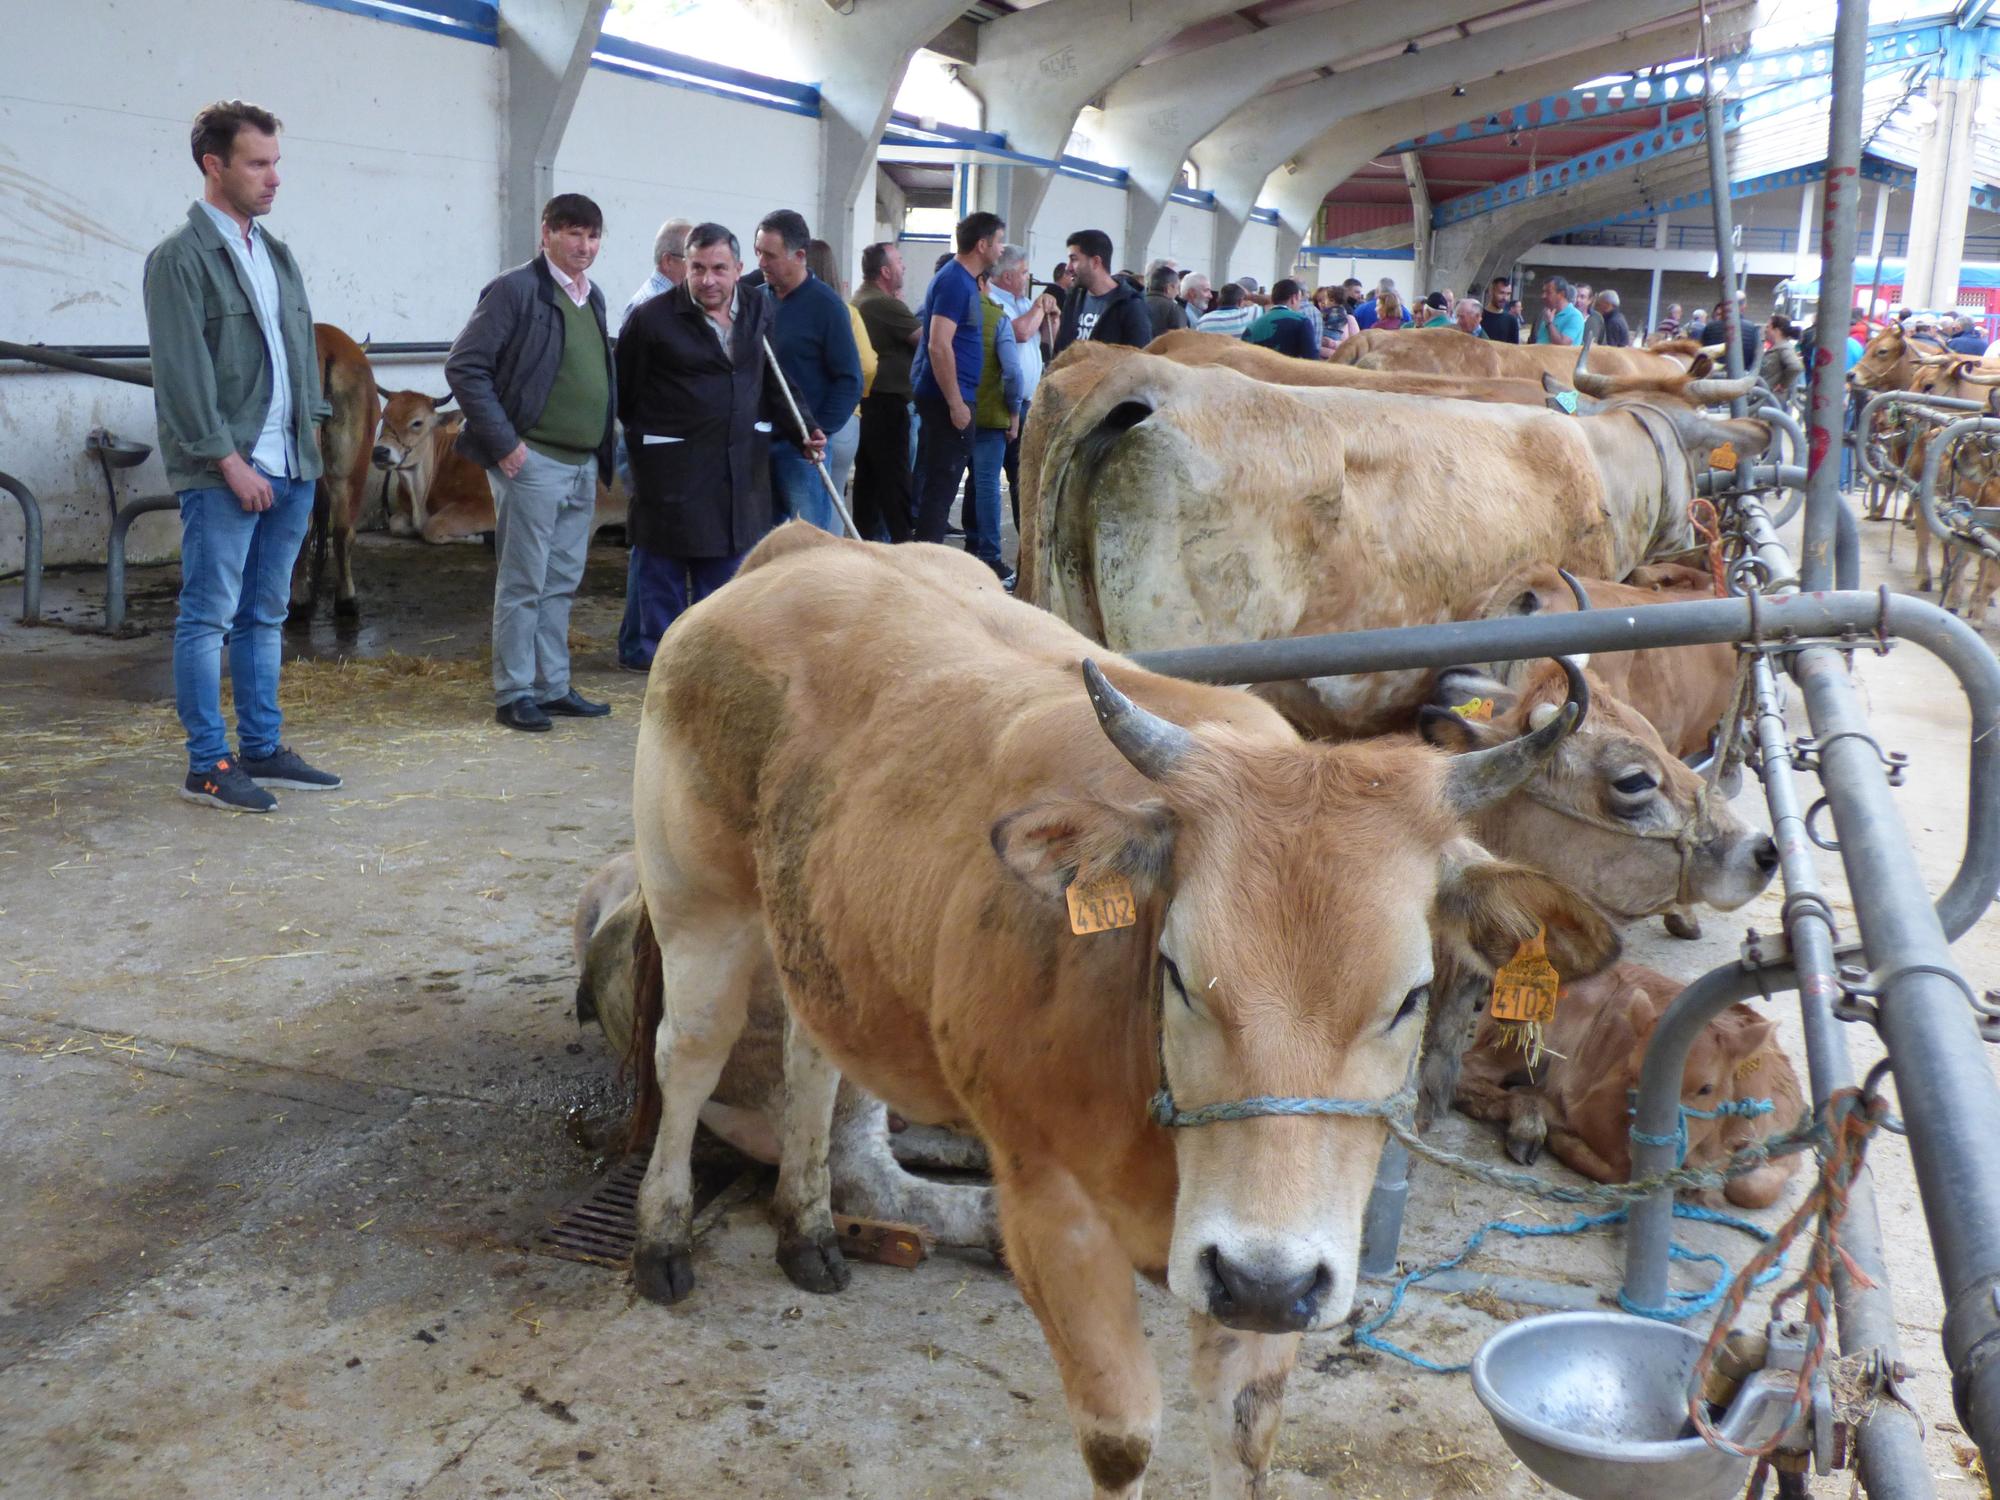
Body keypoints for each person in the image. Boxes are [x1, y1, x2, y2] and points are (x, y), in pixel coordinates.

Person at [144, 98, 339, 810]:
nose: (273, 178)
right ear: (213, 165)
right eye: (258, 164)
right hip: (225, 472)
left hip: (290, 466)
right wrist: (228, 461)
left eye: (276, 163)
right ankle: (207, 764)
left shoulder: (276, 255)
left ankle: (262, 745)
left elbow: (300, 360)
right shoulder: (179, 259)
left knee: (264, 615)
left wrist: (312, 438)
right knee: (207, 616)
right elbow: (183, 373)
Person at [446, 192, 616, 733]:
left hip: (580, 463)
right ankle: (514, 690)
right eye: (572, 233)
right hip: (532, 460)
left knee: (562, 579)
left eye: (591, 235)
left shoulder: (593, 298)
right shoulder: (515, 290)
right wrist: (505, 445)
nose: (583, 245)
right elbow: (465, 365)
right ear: (545, 233)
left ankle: (552, 685)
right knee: (523, 579)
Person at [615, 222, 821, 660]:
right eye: (698, 268)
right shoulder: (651, 320)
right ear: (683, 268)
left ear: (738, 268)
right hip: (673, 471)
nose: (708, 280)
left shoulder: (756, 309)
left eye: (719, 269)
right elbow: (626, 396)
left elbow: (772, 377)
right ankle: (657, 661)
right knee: (663, 570)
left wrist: (801, 427)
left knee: (727, 573)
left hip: (738, 468)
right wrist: (652, 446)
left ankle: (712, 663)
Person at [615, 215, 693, 670]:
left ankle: (635, 642)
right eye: (694, 261)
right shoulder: (650, 308)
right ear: (670, 261)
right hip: (651, 442)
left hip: (661, 441)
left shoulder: (667, 304)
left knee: (653, 546)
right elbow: (634, 384)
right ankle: (640, 646)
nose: (702, 273)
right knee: (652, 545)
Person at [754, 210, 861, 535]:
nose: (761, 262)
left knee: (806, 544)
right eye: (758, 252)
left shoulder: (827, 307)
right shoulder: (755, 301)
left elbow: (850, 378)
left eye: (769, 255)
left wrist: (818, 431)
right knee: (760, 543)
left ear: (800, 256)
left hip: (801, 450)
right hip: (756, 445)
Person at [911, 211, 1006, 543]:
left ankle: (926, 557)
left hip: (954, 393)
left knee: (942, 483)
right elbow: (938, 345)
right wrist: (955, 403)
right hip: (948, 397)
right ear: (982, 245)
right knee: (941, 486)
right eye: (999, 241)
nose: (1002, 249)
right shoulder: (954, 281)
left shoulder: (963, 280)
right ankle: (926, 563)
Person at [851, 240, 920, 542]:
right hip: (887, 405)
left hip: (869, 403)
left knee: (870, 483)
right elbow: (929, 339)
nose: (904, 266)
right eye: (899, 261)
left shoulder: (863, 299)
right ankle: (904, 546)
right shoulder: (883, 305)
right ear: (885, 271)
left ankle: (869, 544)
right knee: (895, 482)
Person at [987, 243, 1059, 531]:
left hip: (1029, 400)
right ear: (1007, 277)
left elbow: (1045, 336)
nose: (1028, 278)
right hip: (1004, 402)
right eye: (1024, 273)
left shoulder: (1023, 302)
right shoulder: (995, 302)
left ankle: (1025, 532)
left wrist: (1052, 314)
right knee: (999, 476)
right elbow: (1020, 331)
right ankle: (986, 539)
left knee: (1024, 474)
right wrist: (1040, 306)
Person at [804, 238, 870, 521]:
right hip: (845, 421)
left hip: (807, 420)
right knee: (833, 503)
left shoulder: (798, 311)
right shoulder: (847, 312)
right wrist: (857, 394)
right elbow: (867, 364)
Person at [966, 270, 1024, 582]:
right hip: (989, 415)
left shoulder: (940, 310)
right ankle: (989, 556)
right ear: (983, 283)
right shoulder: (996, 317)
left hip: (951, 411)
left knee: (948, 482)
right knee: (988, 484)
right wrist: (1013, 412)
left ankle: (953, 549)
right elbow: (1013, 372)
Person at [1053, 229, 1150, 351]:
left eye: (1074, 259)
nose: (1068, 267)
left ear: (1095, 262)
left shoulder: (1131, 306)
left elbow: (1138, 360)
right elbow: (1060, 351)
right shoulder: (1073, 299)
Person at [623, 217, 693, 326]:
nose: (699, 269)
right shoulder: (650, 307)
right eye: (691, 260)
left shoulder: (672, 302)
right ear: (668, 261)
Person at [1242, 279, 1321, 359]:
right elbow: (1312, 359)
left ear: (1273, 299)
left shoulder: (1251, 326)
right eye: (1299, 300)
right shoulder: (1302, 322)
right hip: (1288, 370)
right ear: (1294, 298)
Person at [1758, 313, 1805, 401]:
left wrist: (1783, 385)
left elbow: (1795, 367)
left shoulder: (1784, 348)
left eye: (1768, 327)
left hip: (1772, 400)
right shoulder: (1778, 348)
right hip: (1767, 399)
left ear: (1777, 330)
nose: (1765, 330)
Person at [1532, 275, 1585, 346]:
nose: (1543, 296)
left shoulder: (1575, 316)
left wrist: (1549, 324)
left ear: (1561, 294)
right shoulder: (1547, 313)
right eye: (1543, 292)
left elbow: (1562, 345)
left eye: (1548, 292)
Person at [1144, 263, 1187, 340]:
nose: (1178, 293)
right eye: (1177, 288)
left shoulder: (1136, 304)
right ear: (1169, 287)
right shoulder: (1174, 309)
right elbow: (1181, 342)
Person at [1480, 277, 1521, 345]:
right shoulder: (1479, 316)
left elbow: (1514, 349)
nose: (1505, 298)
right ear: (1491, 291)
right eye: (1501, 293)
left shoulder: (1511, 320)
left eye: (1508, 294)